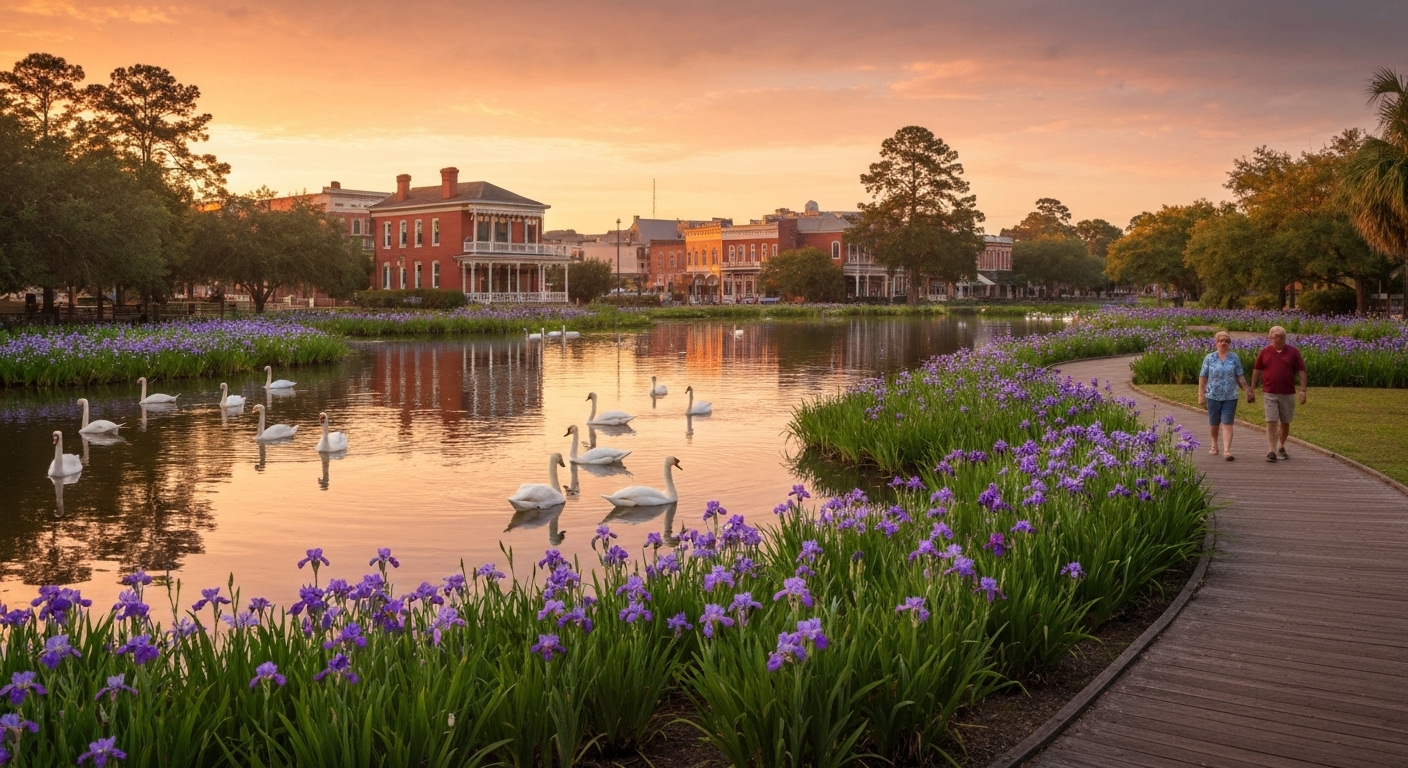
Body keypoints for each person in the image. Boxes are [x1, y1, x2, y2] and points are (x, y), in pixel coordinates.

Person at [1249, 326, 1307, 463]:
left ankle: (1281, 445)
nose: (1275, 339)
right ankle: (1271, 450)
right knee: (1271, 421)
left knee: (1285, 421)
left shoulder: (1293, 352)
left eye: (1279, 337)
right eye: (1273, 336)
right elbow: (1257, 369)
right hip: (1270, 392)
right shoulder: (1265, 352)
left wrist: (1303, 390)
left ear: (1284, 338)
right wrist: (1252, 387)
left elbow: (1301, 370)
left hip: (1287, 393)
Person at [1197, 331, 1250, 460]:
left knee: (1227, 423)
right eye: (1221, 341)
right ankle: (1214, 445)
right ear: (1216, 343)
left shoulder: (1234, 358)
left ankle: (1227, 451)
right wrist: (1201, 394)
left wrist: (1247, 390)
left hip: (1230, 396)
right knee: (1214, 424)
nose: (1224, 343)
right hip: (1213, 395)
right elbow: (1203, 377)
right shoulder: (1209, 358)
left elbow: (1240, 376)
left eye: (1227, 341)